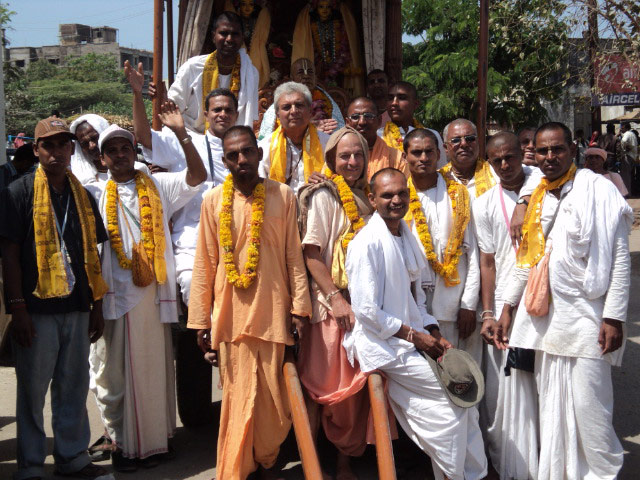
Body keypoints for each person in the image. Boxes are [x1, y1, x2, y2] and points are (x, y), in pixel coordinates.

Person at [495, 122, 631, 479]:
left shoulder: (599, 190)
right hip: (546, 325)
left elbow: (619, 258)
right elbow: (526, 261)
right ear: (534, 155)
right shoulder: (536, 194)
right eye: (542, 151)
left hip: (588, 319)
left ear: (573, 149)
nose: (550, 157)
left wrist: (614, 316)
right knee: (552, 413)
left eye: (557, 149)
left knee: (592, 414)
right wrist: (506, 307)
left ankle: (603, 474)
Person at [345, 167, 487, 480]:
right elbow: (367, 311)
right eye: (387, 195)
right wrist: (414, 336)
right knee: (455, 400)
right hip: (383, 344)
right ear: (372, 199)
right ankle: (456, 473)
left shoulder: (406, 237)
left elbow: (417, 299)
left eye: (401, 194)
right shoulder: (366, 243)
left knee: (465, 401)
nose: (396, 200)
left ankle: (466, 474)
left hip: (412, 339)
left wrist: (433, 331)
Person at [187, 125, 312, 479]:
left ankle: (266, 458)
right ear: (224, 160)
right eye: (232, 155)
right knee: (238, 398)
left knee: (275, 407)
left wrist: (300, 308)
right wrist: (200, 321)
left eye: (247, 152)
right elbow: (204, 263)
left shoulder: (283, 195)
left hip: (274, 313)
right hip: (232, 318)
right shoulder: (213, 201)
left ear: (259, 153)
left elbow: (293, 257)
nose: (241, 160)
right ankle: (240, 468)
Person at [88, 116, 207, 472]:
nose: (121, 155)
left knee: (154, 371)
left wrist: (184, 136)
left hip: (153, 294)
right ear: (103, 158)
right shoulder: (95, 192)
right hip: (115, 297)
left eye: (126, 148)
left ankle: (156, 442)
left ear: (133, 153)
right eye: (113, 150)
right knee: (116, 374)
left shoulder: (157, 185)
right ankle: (123, 444)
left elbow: (197, 176)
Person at [0, 117, 109, 480]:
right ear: (35, 150)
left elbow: (93, 254)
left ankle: (73, 457)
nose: (57, 152)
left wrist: (96, 306)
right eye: (48, 145)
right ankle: (31, 465)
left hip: (77, 305)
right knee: (33, 390)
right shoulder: (19, 192)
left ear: (71, 150)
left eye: (63, 145)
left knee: (74, 385)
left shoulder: (83, 194)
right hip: (36, 309)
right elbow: (10, 255)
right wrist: (17, 309)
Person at [125, 59, 238, 304]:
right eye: (217, 110)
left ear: (236, 115)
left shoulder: (246, 148)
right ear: (205, 114)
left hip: (237, 238)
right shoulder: (186, 140)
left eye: (228, 110)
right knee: (191, 284)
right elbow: (144, 137)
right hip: (192, 239)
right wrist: (137, 93)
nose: (223, 115)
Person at [297, 126, 375, 479]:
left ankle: (343, 463)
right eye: (344, 155)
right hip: (331, 309)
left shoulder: (369, 196)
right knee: (323, 388)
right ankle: (312, 466)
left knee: (354, 395)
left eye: (358, 155)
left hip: (362, 307)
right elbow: (312, 254)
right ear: (331, 159)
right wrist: (334, 299)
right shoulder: (323, 196)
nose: (352, 162)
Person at [472, 132, 538, 479]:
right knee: (500, 393)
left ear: (521, 154)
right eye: (496, 160)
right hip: (502, 307)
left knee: (538, 386)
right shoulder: (483, 203)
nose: (504, 165)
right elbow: (487, 262)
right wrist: (488, 313)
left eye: (510, 157)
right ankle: (505, 464)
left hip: (540, 300)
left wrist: (525, 201)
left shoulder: (542, 186)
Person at [402, 129, 482, 365]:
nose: (423, 158)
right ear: (405, 156)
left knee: (461, 372)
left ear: (439, 154)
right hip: (413, 305)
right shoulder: (399, 196)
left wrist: (469, 304)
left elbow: (474, 253)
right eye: (416, 152)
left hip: (455, 305)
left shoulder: (458, 194)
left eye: (429, 152)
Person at [168, 11, 259, 133]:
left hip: (232, 141)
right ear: (213, 36)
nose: (229, 39)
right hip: (193, 137)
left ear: (242, 38)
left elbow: (250, 117)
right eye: (224, 33)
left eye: (235, 34)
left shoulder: (250, 72)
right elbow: (174, 105)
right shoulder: (193, 67)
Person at [258, 81, 329, 194]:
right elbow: (260, 185)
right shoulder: (265, 147)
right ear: (277, 115)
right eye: (286, 107)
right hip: (278, 206)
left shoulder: (328, 143)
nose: (294, 111)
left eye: (299, 105)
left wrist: (323, 180)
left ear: (310, 111)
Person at [258, 57, 344, 140]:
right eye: (300, 72)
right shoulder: (282, 103)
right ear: (292, 78)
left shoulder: (327, 101)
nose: (306, 76)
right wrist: (309, 130)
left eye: (310, 72)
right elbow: (268, 138)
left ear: (315, 77)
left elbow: (340, 134)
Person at [292, 0, 364, 96]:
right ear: (316, 8)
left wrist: (338, 65)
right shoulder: (310, 27)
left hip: (340, 71)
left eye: (328, 7)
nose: (324, 10)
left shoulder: (340, 25)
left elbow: (346, 46)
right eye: (321, 7)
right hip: (319, 70)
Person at [377, 81, 446, 166]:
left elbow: (441, 169)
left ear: (416, 104)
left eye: (402, 98)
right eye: (390, 98)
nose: (394, 103)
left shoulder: (432, 135)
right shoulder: (378, 136)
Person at [345, 96, 406, 180]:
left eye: (368, 116)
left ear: (379, 120)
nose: (362, 122)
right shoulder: (339, 156)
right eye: (355, 117)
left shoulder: (396, 157)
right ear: (347, 123)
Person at [440, 118, 498, 201]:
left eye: (470, 138)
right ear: (446, 148)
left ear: (478, 142)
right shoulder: (438, 180)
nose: (464, 144)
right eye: (456, 140)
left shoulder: (496, 174)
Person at [69, 114, 111, 186]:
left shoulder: (133, 170)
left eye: (95, 138)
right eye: (84, 143)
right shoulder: (78, 180)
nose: (92, 146)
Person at [621, 122, 638, 190]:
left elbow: (624, 141)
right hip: (633, 157)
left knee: (625, 175)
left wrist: (624, 148)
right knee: (629, 175)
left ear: (626, 128)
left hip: (627, 156)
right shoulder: (632, 134)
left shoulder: (627, 134)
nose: (621, 129)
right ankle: (629, 191)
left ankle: (626, 192)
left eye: (622, 128)